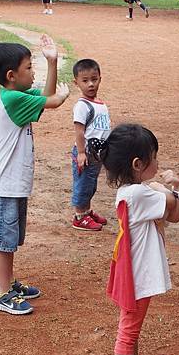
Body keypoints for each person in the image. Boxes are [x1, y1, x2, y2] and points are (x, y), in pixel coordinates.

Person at [90, 123, 179, 355]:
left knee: (133, 322)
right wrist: (177, 186)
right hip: (137, 274)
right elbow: (174, 212)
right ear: (138, 164)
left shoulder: (129, 191)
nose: (157, 162)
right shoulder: (138, 194)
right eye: (154, 157)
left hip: (132, 269)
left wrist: (163, 188)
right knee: (129, 327)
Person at [0, 35, 70, 315]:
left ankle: (8, 283)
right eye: (29, 68)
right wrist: (65, 95)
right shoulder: (12, 99)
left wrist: (52, 61)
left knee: (11, 239)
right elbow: (54, 100)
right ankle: (3, 293)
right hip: (4, 185)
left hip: (12, 184)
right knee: (4, 241)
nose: (34, 73)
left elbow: (45, 96)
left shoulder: (17, 95)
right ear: (12, 76)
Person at [71, 58, 111, 231]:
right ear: (76, 82)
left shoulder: (100, 104)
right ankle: (79, 216)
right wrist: (81, 153)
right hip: (86, 154)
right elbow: (79, 131)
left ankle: (86, 211)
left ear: (100, 78)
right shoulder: (82, 106)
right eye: (85, 81)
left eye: (94, 79)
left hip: (97, 154)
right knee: (83, 183)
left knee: (90, 183)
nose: (91, 84)